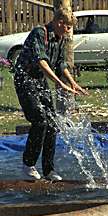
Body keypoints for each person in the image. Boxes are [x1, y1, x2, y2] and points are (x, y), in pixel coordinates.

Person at [14, 8, 89, 181]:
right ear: (59, 22)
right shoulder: (40, 33)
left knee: (52, 123)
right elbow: (42, 61)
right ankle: (28, 164)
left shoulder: (61, 38)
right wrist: (60, 83)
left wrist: (73, 82)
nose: (69, 31)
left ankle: (49, 170)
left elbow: (61, 64)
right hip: (25, 79)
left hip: (39, 80)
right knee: (40, 120)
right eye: (68, 27)